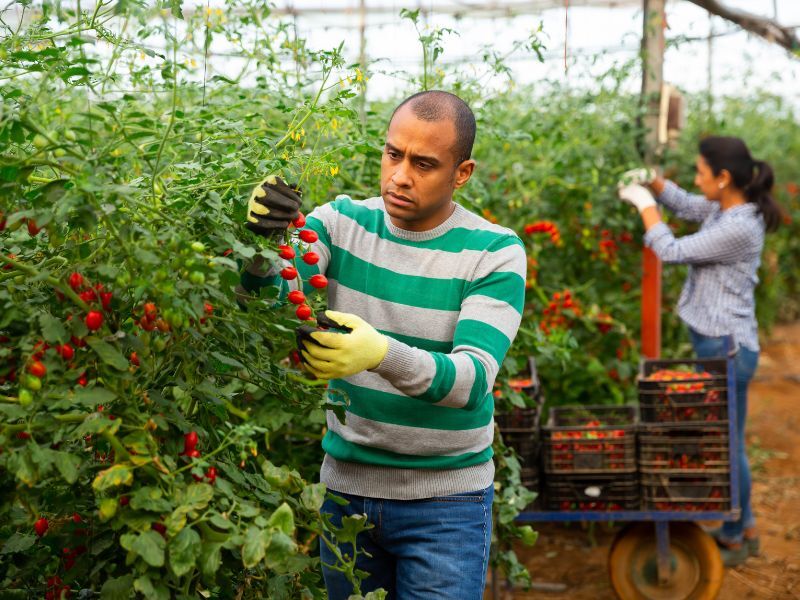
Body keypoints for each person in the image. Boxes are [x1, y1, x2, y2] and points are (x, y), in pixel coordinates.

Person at [240, 90, 527, 598]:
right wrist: (261, 244)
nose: (400, 175)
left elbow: (472, 381)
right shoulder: (341, 224)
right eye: (394, 154)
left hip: (446, 506)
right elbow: (278, 298)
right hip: (346, 492)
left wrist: (380, 354)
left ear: (462, 173)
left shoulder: (494, 253)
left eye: (424, 164)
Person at [618, 136, 783, 567]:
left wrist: (643, 206)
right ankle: (744, 527)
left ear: (724, 178)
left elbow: (671, 251)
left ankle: (732, 536)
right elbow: (688, 204)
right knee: (730, 438)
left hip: (725, 347)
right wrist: (654, 183)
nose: (695, 179)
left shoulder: (740, 226)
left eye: (701, 172)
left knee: (728, 443)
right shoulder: (724, 207)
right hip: (719, 342)